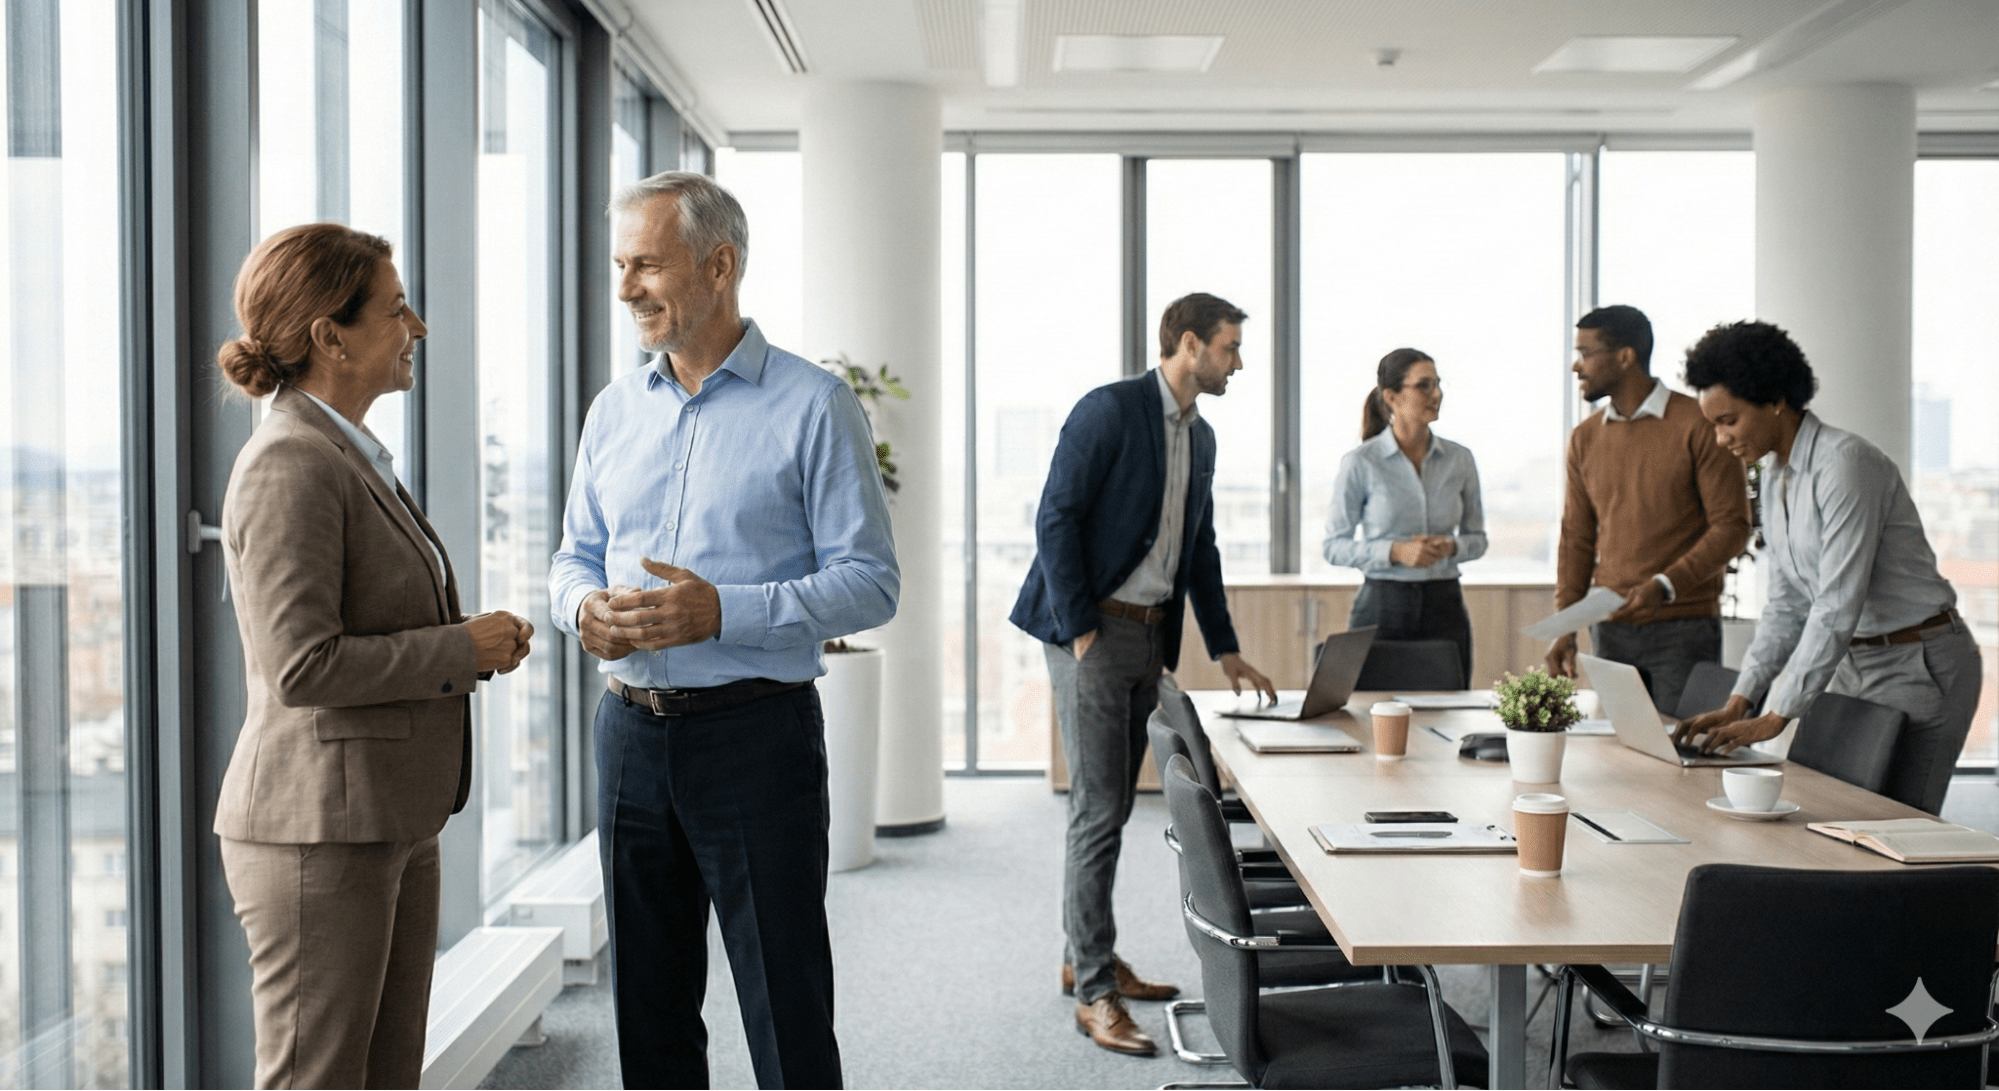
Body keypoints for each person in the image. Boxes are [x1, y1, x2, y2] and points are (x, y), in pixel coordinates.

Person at [548, 172, 897, 1090]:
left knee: (783, 1006)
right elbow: (571, 558)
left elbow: (871, 583)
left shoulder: (815, 404)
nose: (625, 288)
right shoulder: (612, 410)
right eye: (619, 265)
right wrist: (581, 609)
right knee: (649, 1011)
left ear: (720, 265)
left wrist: (725, 610)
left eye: (646, 265)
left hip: (754, 738)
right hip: (627, 735)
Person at [214, 223, 533, 1089]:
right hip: (317, 831)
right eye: (397, 310)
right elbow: (301, 666)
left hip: (389, 818)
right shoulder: (289, 463)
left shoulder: (346, 454)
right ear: (331, 335)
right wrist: (457, 648)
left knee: (387, 1074)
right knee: (315, 1078)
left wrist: (463, 646)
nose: (417, 327)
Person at [1011, 292, 1279, 1057]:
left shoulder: (1203, 438)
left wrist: (1224, 646)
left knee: (1117, 805)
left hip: (1150, 636)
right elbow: (1054, 517)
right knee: (1098, 810)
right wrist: (1082, 629)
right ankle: (1094, 988)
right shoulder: (1108, 410)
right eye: (1230, 347)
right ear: (1188, 344)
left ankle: (1083, 952)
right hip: (1092, 635)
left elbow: (1200, 549)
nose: (1237, 362)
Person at [1674, 320, 1982, 815]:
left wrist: (1777, 713)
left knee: (1896, 826)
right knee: (1832, 815)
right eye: (1713, 424)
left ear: (1775, 398)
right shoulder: (1774, 476)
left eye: (1729, 420)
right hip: (1850, 662)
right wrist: (1743, 696)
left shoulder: (1846, 464)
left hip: (1917, 662)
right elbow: (1786, 604)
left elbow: (1837, 603)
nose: (1720, 439)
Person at [1545, 305, 1751, 715]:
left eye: (1586, 354)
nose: (1576, 366)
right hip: (1610, 631)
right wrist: (1565, 624)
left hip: (1684, 630)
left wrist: (1665, 584)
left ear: (1625, 356)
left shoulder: (1698, 423)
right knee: (1619, 762)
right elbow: (1576, 538)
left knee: (1682, 760)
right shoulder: (1584, 438)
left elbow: (1732, 526)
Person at [1322, 348, 1486, 685]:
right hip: (1382, 605)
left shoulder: (1460, 460)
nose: (1436, 394)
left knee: (1450, 713)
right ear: (1393, 397)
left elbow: (1478, 539)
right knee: (1370, 716)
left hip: (1445, 605)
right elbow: (1333, 546)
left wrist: (1451, 546)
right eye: (1424, 385)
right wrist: (1395, 551)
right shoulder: (1361, 462)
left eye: (1438, 384)